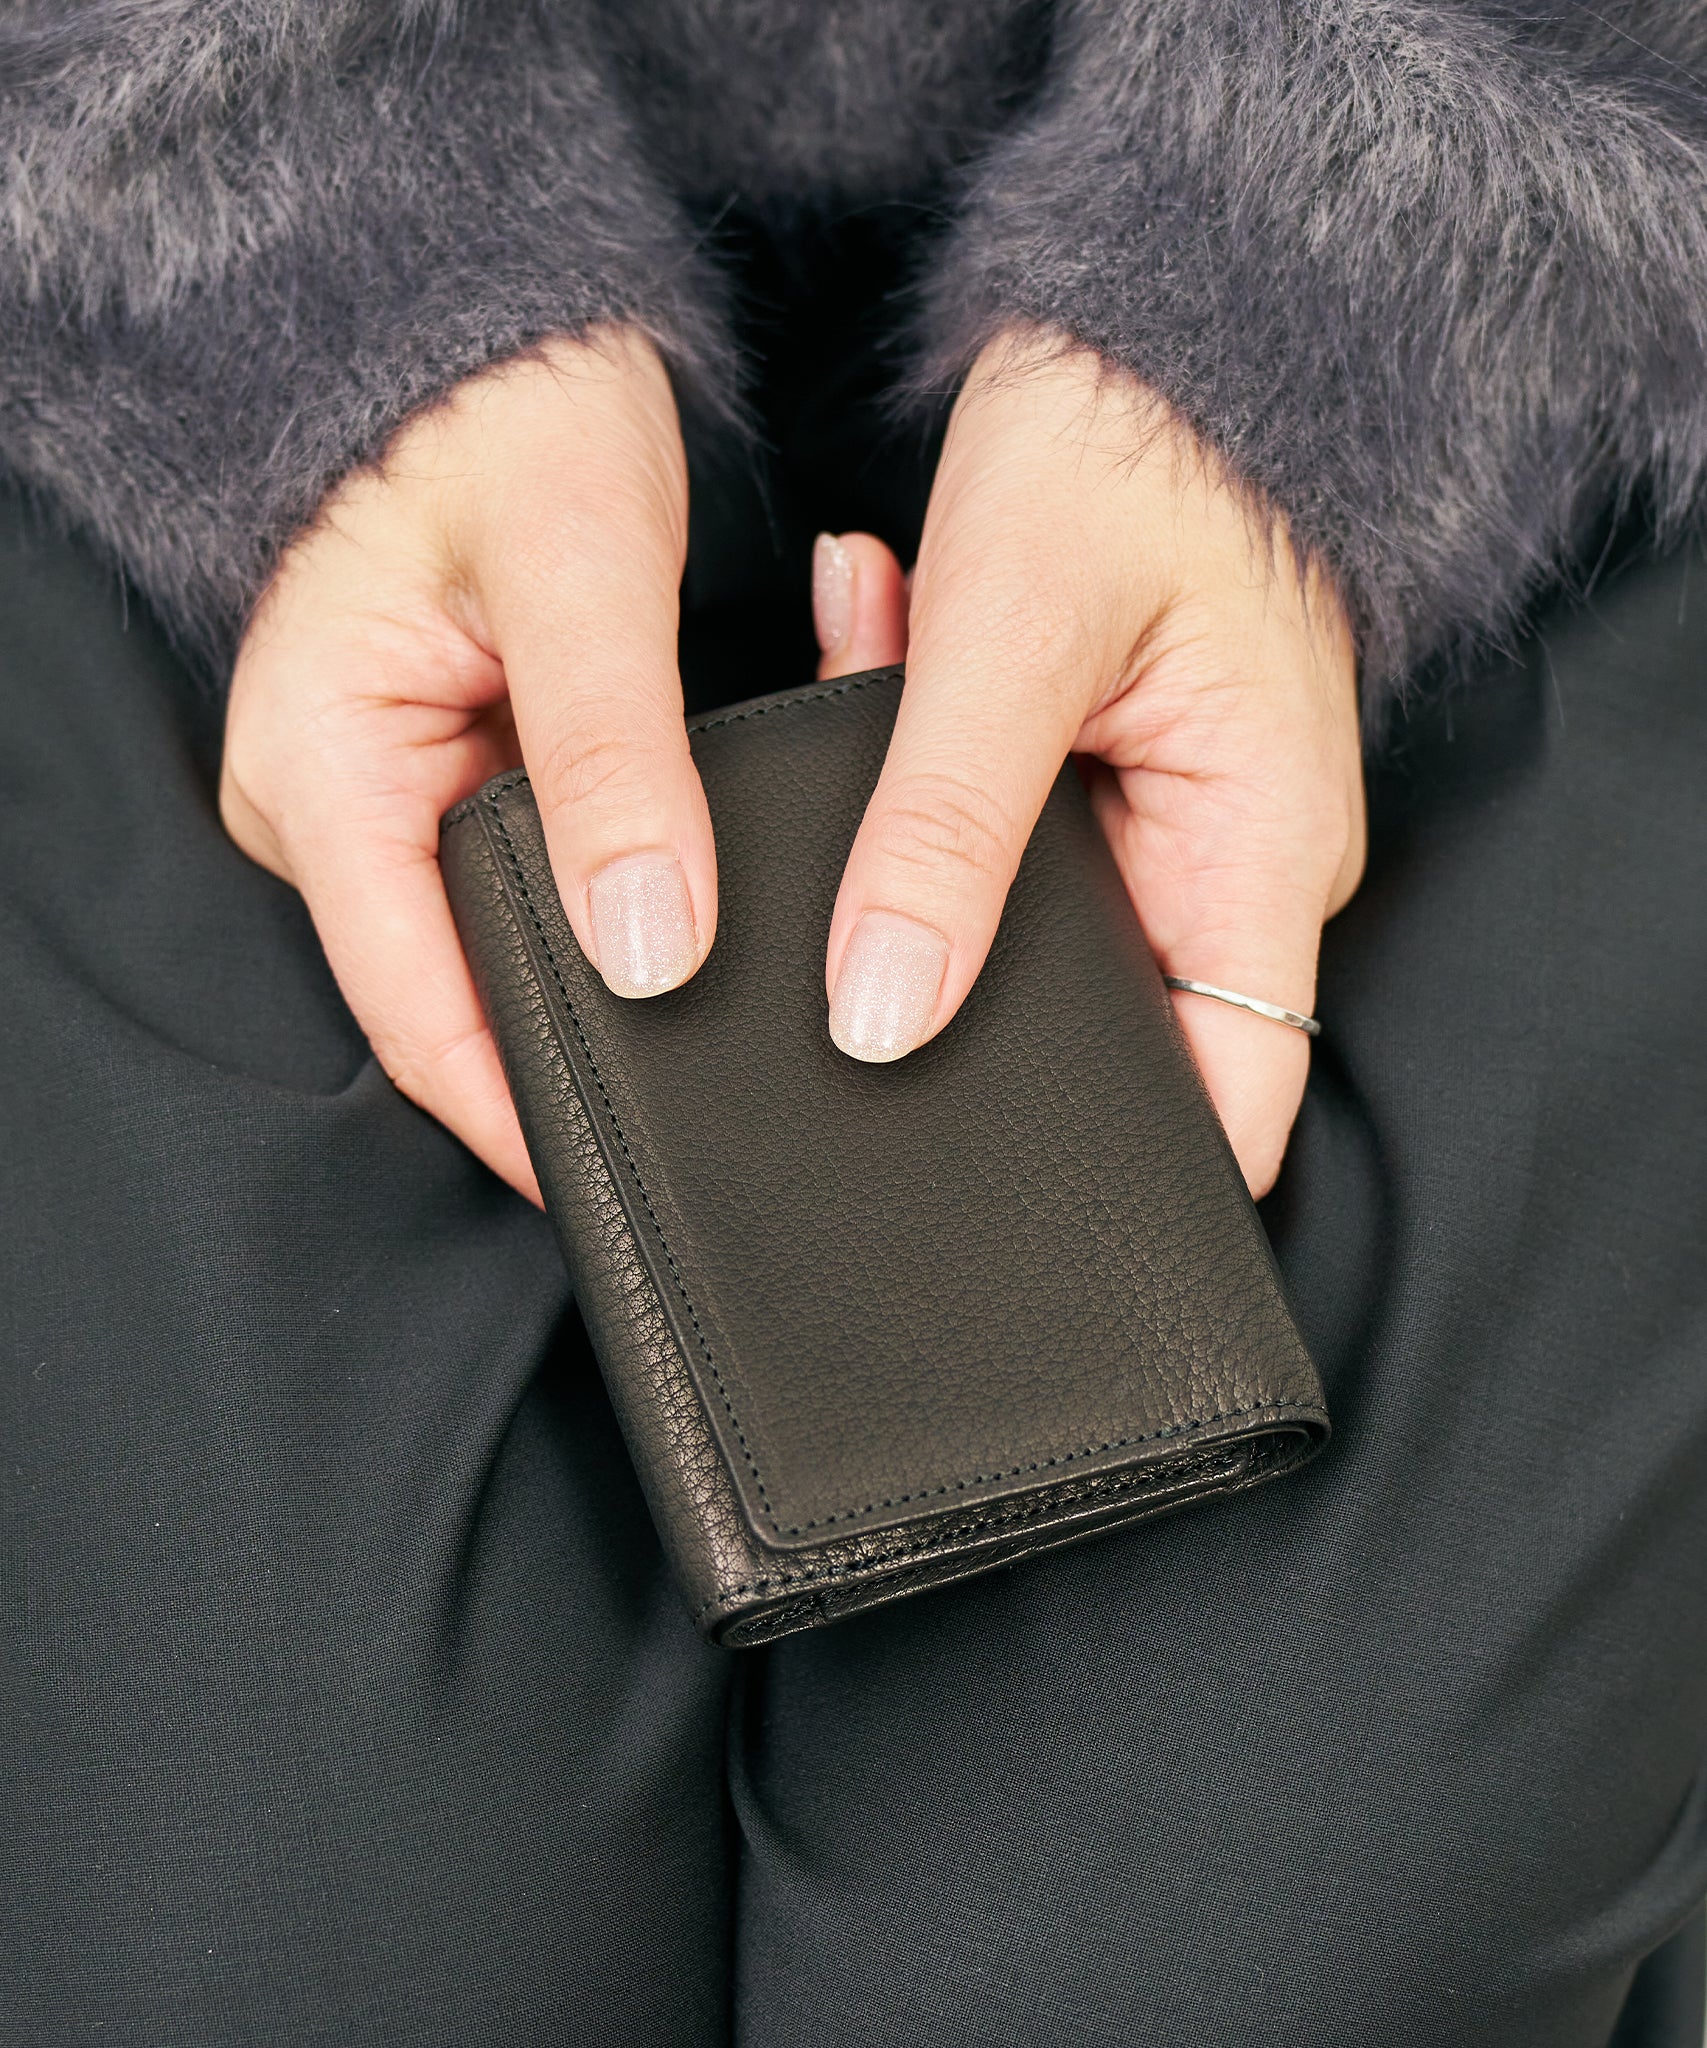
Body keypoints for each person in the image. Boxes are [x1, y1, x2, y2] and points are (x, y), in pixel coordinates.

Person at [2, 3, 1704, 2042]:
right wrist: (296, 242)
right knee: (276, 1926)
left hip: (1528, 293)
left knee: (1232, 1940)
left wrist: (1325, 270)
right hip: (142, 291)